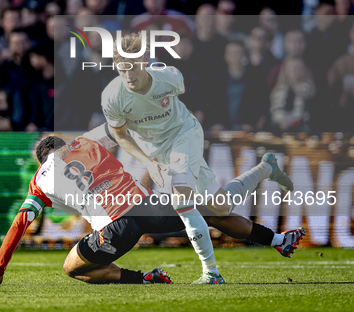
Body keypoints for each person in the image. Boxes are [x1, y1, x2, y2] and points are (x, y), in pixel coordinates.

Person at [0, 134, 305, 286]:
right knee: (216, 210)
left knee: (72, 268)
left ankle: (146, 279)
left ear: (41, 160)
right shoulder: (88, 142)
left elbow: (19, 225)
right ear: (63, 146)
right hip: (147, 204)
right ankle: (278, 239)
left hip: (117, 225)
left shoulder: (39, 180)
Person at [100, 32, 294, 283]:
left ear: (145, 60)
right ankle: (266, 169)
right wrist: (148, 161)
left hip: (185, 134)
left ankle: (211, 273)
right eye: (121, 69)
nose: (128, 76)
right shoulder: (112, 96)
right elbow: (121, 135)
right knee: (221, 207)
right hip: (158, 152)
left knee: (182, 201)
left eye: (133, 67)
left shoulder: (169, 77)